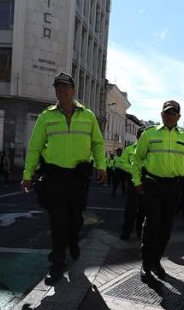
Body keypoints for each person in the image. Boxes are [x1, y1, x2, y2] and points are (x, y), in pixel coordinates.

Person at [21, 72, 107, 284]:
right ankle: (57, 265)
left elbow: (97, 143)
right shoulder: (46, 117)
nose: (62, 90)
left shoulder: (88, 116)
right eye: (58, 87)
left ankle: (73, 239)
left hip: (79, 178)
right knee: (57, 221)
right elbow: (35, 148)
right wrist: (27, 174)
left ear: (73, 90)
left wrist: (101, 166)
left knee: (75, 219)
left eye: (65, 87)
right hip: (54, 177)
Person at [132, 100, 184, 283]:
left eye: (174, 113)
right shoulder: (149, 134)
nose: (170, 116)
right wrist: (137, 181)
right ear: (161, 114)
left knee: (166, 229)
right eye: (167, 112)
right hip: (153, 184)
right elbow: (137, 160)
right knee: (152, 225)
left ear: (178, 116)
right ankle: (146, 265)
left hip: (174, 187)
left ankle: (155, 261)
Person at [119, 127, 146, 240]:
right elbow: (122, 163)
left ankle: (140, 232)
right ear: (137, 136)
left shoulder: (151, 150)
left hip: (146, 182)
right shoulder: (129, 149)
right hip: (133, 182)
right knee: (131, 208)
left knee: (144, 209)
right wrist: (134, 170)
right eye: (141, 135)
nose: (142, 138)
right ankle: (127, 231)